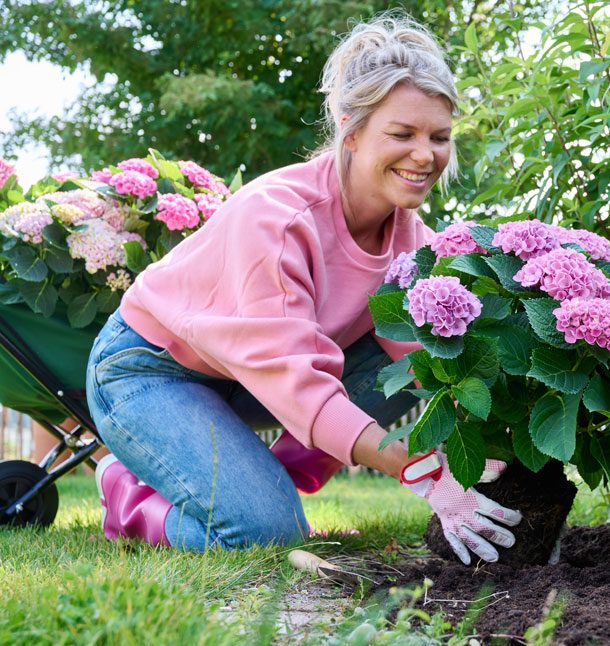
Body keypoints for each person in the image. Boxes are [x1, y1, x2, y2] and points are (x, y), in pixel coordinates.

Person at [86, 15, 521, 565]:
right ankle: (127, 495)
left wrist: (484, 438)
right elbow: (298, 384)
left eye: (438, 137)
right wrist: (427, 472)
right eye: (402, 134)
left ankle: (269, 479)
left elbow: (426, 365)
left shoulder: (412, 239)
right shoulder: (278, 219)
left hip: (246, 384)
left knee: (427, 359)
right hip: (151, 370)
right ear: (352, 130)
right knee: (267, 532)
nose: (425, 155)